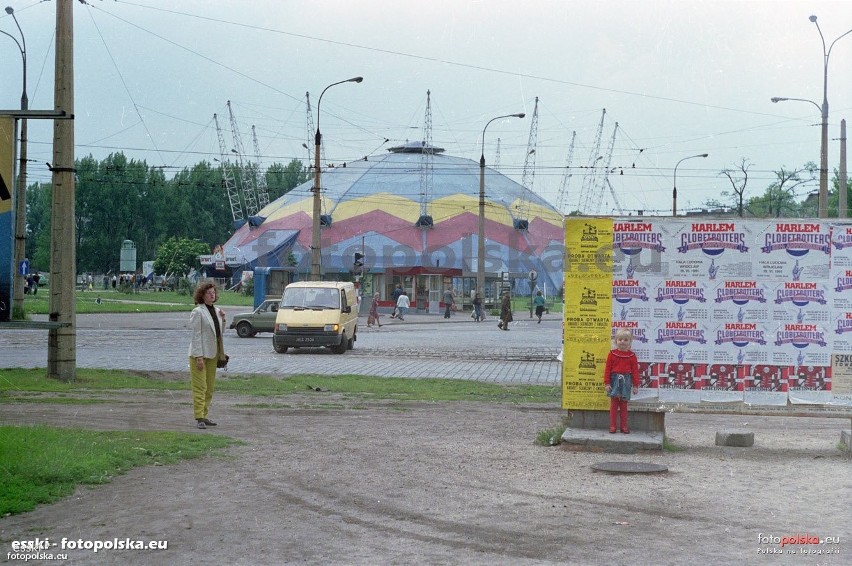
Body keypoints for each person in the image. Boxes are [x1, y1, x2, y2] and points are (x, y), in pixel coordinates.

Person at [187, 281, 227, 430]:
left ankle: (205, 414)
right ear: (202, 295)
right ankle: (199, 417)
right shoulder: (198, 311)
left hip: (213, 354)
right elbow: (196, 335)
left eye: (213, 292)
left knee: (209, 387)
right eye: (209, 293)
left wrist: (223, 319)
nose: (212, 295)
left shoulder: (216, 310)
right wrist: (198, 356)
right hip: (200, 355)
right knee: (200, 386)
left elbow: (219, 334)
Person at [603, 328, 640, 434]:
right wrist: (607, 383)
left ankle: (624, 426)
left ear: (630, 342)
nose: (622, 342)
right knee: (614, 405)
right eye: (620, 339)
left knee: (624, 405)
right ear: (616, 341)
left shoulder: (632, 356)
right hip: (614, 381)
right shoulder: (612, 354)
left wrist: (635, 385)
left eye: (625, 340)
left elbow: (635, 372)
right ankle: (613, 426)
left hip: (626, 381)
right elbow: (607, 370)